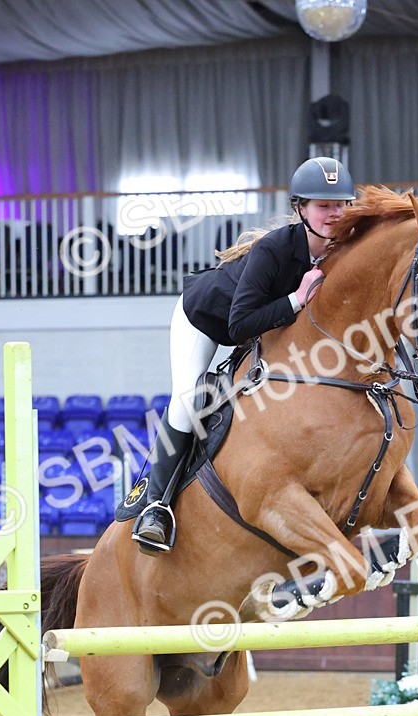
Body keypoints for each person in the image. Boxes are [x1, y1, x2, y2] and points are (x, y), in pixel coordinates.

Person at [132, 156, 356, 554]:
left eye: (340, 204)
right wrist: (297, 298)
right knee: (187, 398)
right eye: (323, 205)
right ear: (300, 209)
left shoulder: (343, 248)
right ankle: (155, 506)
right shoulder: (274, 250)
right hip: (206, 318)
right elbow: (238, 326)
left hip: (262, 327)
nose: (334, 214)